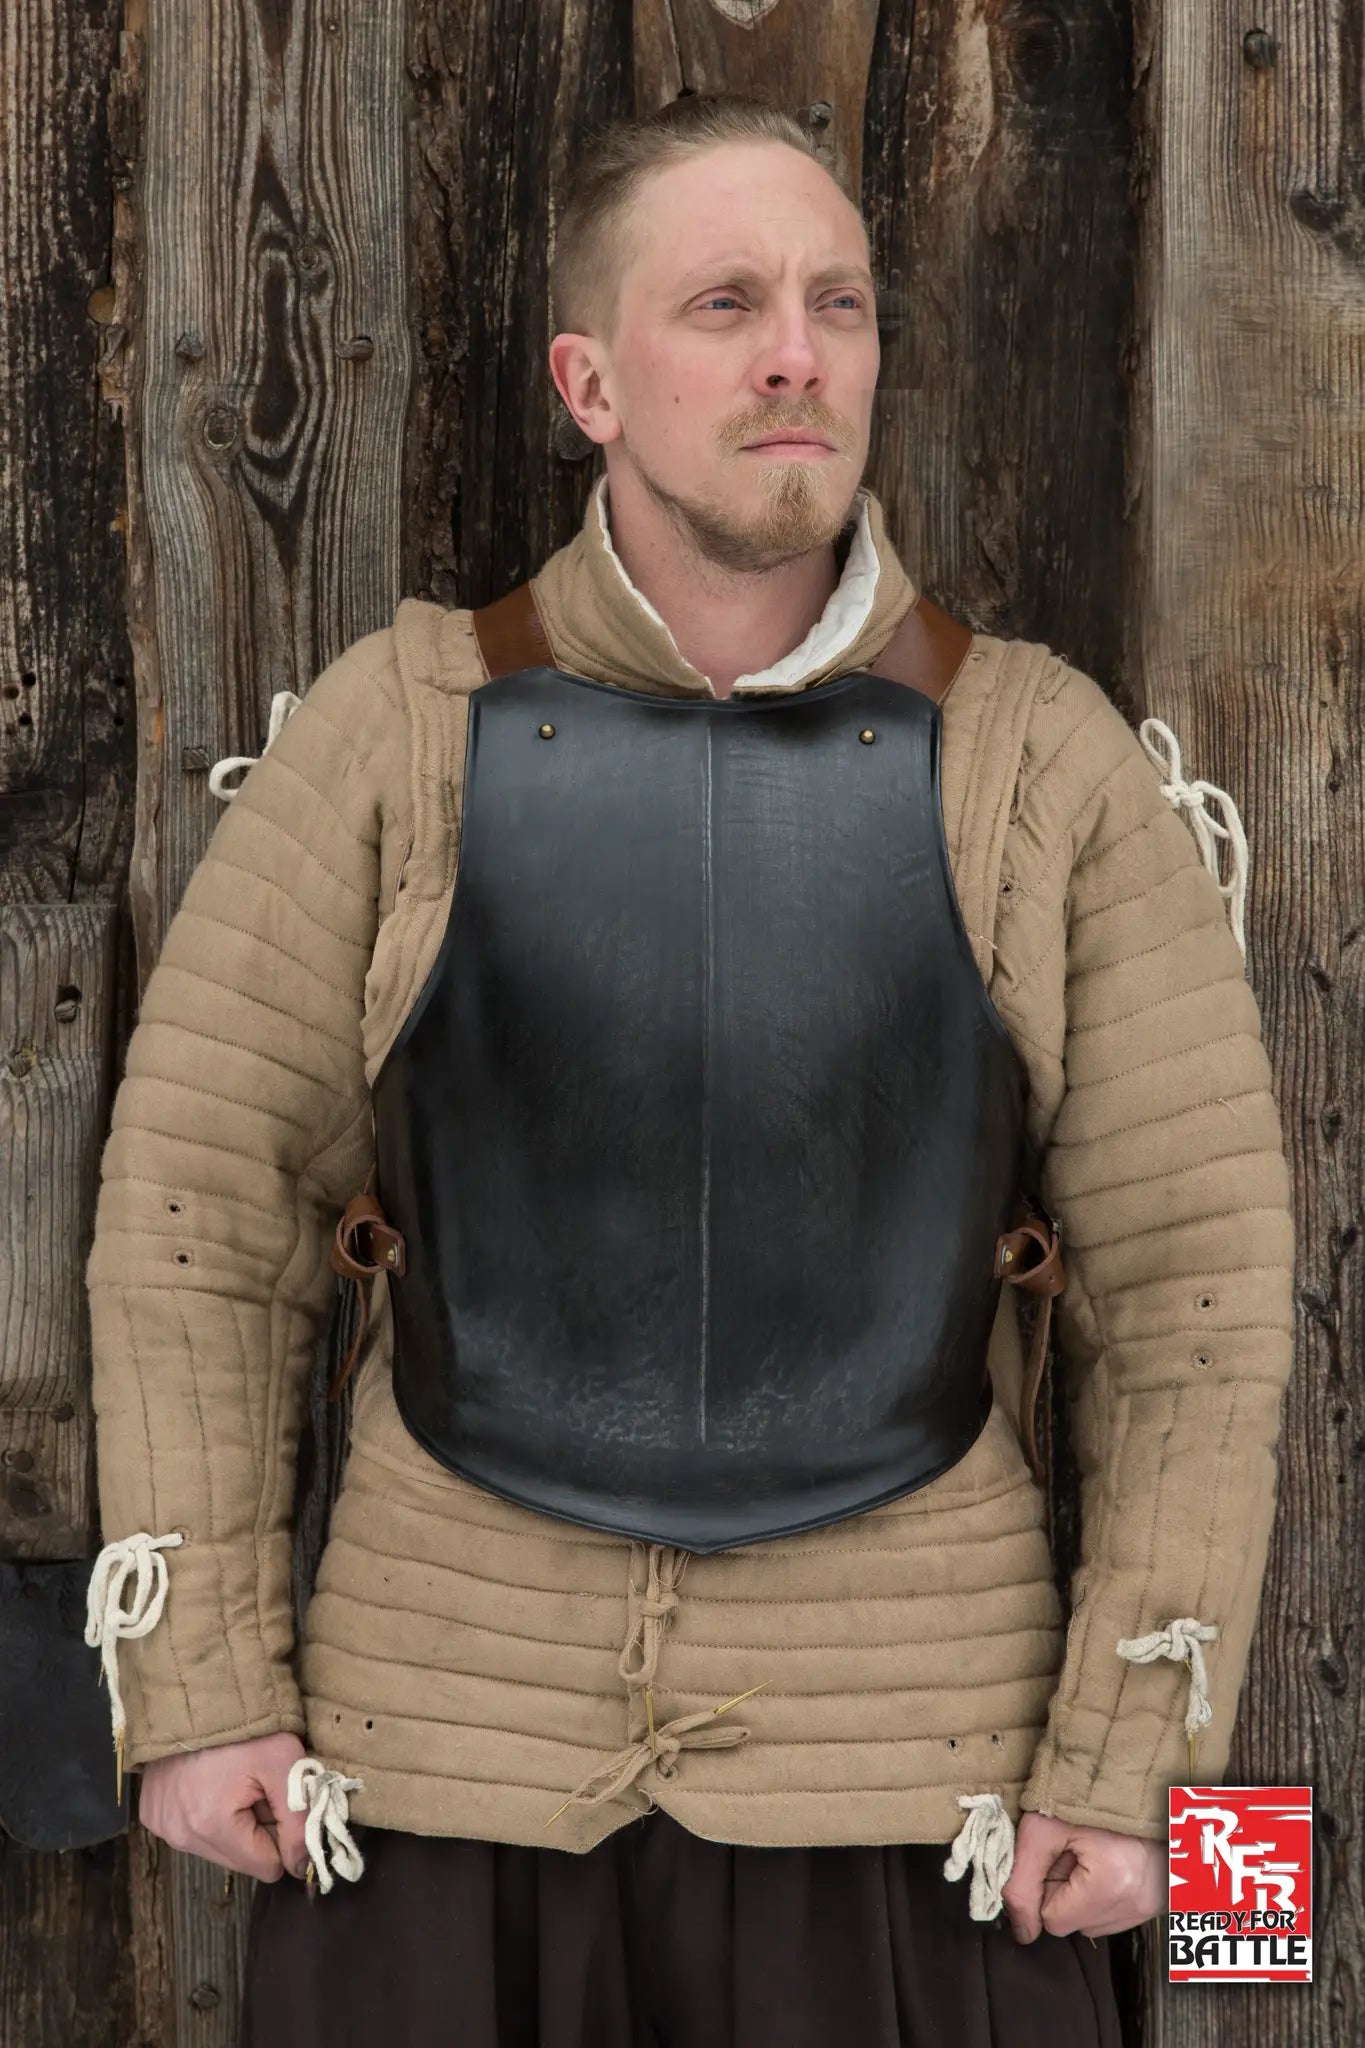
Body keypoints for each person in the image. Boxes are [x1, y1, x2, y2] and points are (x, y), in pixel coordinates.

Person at [83, 94, 1295, 2048]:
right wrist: (200, 1687)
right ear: (587, 377)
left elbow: (1199, 1291)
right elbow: (196, 1218)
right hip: (430, 1781)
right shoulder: (388, 740)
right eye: (724, 305)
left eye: (837, 304)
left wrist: (1143, 1761)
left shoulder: (1043, 764)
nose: (797, 355)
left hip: (942, 1809)